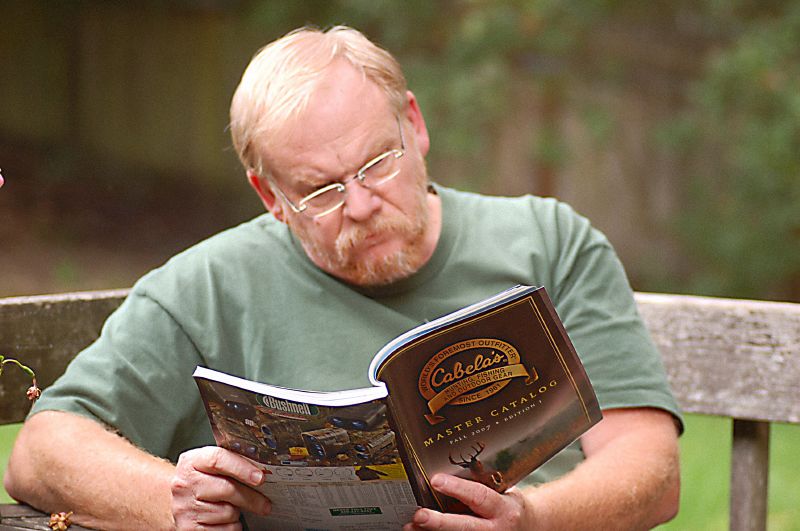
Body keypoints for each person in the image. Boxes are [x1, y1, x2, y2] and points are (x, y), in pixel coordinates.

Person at [5, 26, 681, 530]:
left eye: (377, 163)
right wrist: (170, 498)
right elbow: (42, 449)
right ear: (270, 196)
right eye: (321, 191)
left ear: (413, 125)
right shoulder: (207, 287)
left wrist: (530, 518)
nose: (360, 204)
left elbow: (651, 471)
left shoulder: (549, 243)